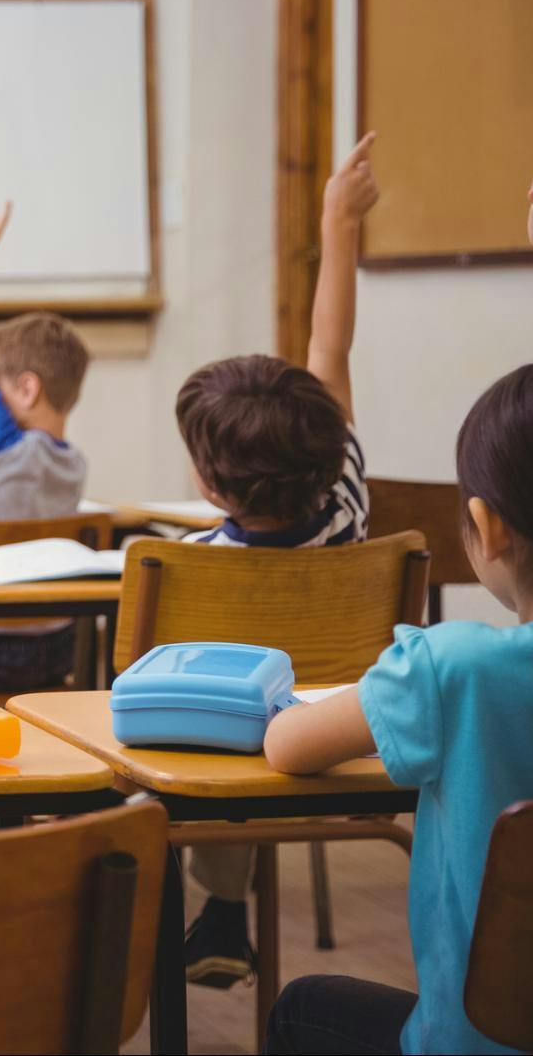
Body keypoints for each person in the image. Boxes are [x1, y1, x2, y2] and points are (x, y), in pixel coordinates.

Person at [263, 361, 533, 1056]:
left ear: (486, 526)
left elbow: (286, 745)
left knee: (301, 1006)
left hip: (476, 1044)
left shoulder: (451, 670)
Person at [177, 133, 380, 986]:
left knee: (207, 733)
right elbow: (328, 345)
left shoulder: (185, 561)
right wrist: (337, 224)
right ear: (331, 451)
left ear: (208, 485)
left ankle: (219, 911)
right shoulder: (349, 502)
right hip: (349, 724)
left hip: (225, 758)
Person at [0, 201, 94, 694]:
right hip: (53, 647)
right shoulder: (74, 466)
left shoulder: (0, 443)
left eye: (0, 386)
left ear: (26, 389)